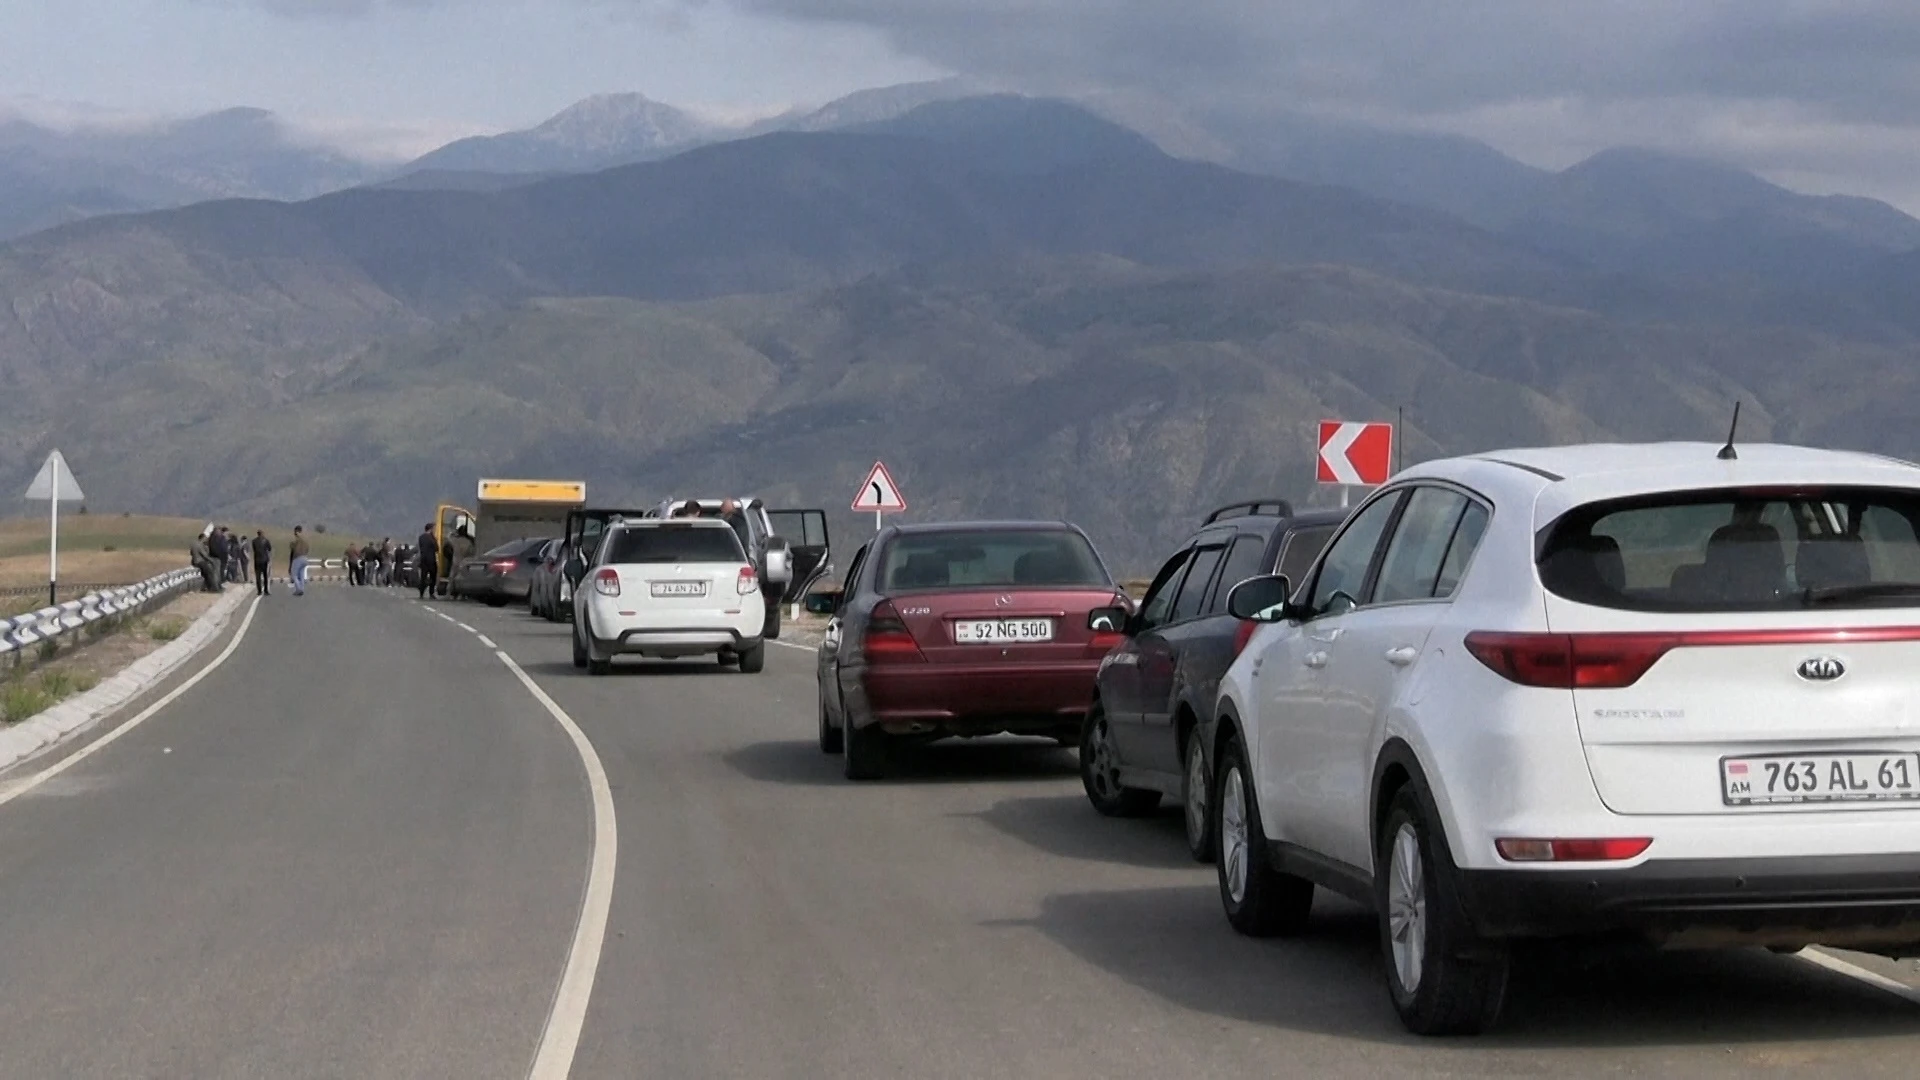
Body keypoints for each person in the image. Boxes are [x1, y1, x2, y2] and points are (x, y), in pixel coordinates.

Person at [191, 529, 218, 593]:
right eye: (205, 538)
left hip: (195, 561)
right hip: (200, 562)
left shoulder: (194, 544)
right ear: (202, 538)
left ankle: (205, 587)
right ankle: (212, 588)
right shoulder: (200, 545)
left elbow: (191, 553)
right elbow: (204, 555)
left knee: (206, 574)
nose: (206, 540)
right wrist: (212, 561)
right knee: (210, 573)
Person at [417, 524, 439, 599]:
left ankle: (421, 593)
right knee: (433, 577)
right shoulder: (432, 538)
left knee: (423, 577)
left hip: (423, 559)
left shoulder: (421, 537)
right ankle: (431, 593)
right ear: (430, 529)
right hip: (431, 560)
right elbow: (436, 548)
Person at [290, 525, 311, 596]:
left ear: (296, 532)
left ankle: (298, 589)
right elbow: (308, 549)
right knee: (301, 574)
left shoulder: (296, 541)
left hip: (298, 558)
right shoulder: (306, 541)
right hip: (305, 558)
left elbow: (292, 549)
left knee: (294, 574)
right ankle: (302, 589)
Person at [207, 526, 230, 590]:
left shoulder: (212, 538)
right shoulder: (217, 538)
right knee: (217, 573)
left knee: (217, 573)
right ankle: (216, 587)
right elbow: (222, 548)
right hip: (217, 557)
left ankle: (218, 586)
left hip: (215, 556)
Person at [251, 529, 272, 596]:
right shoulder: (266, 540)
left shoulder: (254, 541)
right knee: (265, 576)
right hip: (264, 560)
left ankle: (259, 591)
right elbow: (269, 548)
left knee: (258, 576)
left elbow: (254, 549)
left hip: (257, 560)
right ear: (262, 534)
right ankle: (266, 590)